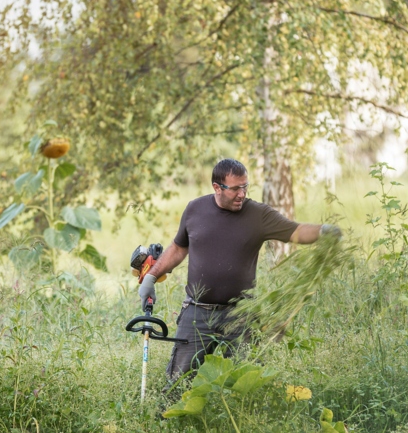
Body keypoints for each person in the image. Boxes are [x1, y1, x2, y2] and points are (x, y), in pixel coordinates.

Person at [138, 158, 341, 382]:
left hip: (241, 314)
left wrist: (323, 231)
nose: (242, 194)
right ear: (217, 187)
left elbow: (295, 231)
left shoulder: (258, 215)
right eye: (235, 188)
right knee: (178, 380)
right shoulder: (195, 209)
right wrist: (151, 276)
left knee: (245, 380)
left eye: (245, 187)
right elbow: (178, 248)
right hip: (197, 311)